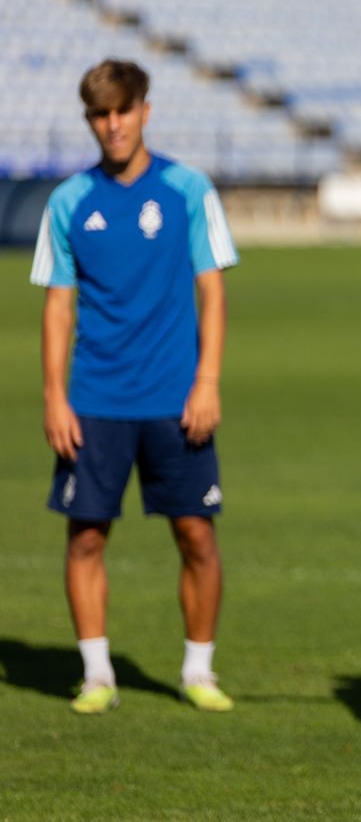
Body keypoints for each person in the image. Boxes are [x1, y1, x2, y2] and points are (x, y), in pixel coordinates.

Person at [30, 59, 238, 714]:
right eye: (99, 113)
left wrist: (207, 380)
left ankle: (198, 671)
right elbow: (59, 306)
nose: (112, 124)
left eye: (122, 109)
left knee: (197, 537)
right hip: (94, 401)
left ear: (145, 109)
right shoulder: (68, 201)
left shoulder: (187, 188)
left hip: (177, 400)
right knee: (86, 536)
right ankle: (97, 675)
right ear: (89, 119)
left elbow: (213, 289)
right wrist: (53, 395)